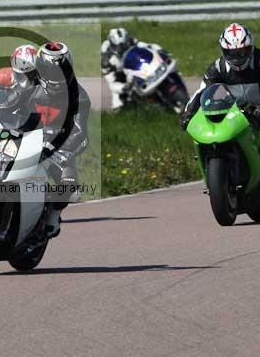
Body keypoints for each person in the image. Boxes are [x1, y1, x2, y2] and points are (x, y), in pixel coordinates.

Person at [180, 23, 260, 184]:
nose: (237, 58)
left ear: (250, 48)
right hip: (236, 108)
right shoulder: (217, 67)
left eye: (242, 52)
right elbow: (202, 91)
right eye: (232, 53)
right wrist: (188, 113)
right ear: (224, 51)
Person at [24, 41, 91, 238]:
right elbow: (6, 107)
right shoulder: (27, 85)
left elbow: (80, 132)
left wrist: (63, 149)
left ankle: (53, 216)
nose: (55, 77)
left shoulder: (79, 96)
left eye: (61, 71)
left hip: (58, 145)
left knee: (70, 187)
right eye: (50, 71)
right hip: (25, 138)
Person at [101, 28, 173, 110]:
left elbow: (149, 46)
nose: (122, 49)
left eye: (125, 45)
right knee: (119, 107)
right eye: (119, 47)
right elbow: (111, 83)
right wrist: (124, 87)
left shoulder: (132, 42)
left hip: (136, 69)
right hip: (121, 77)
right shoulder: (106, 60)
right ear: (112, 45)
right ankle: (118, 105)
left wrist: (160, 50)